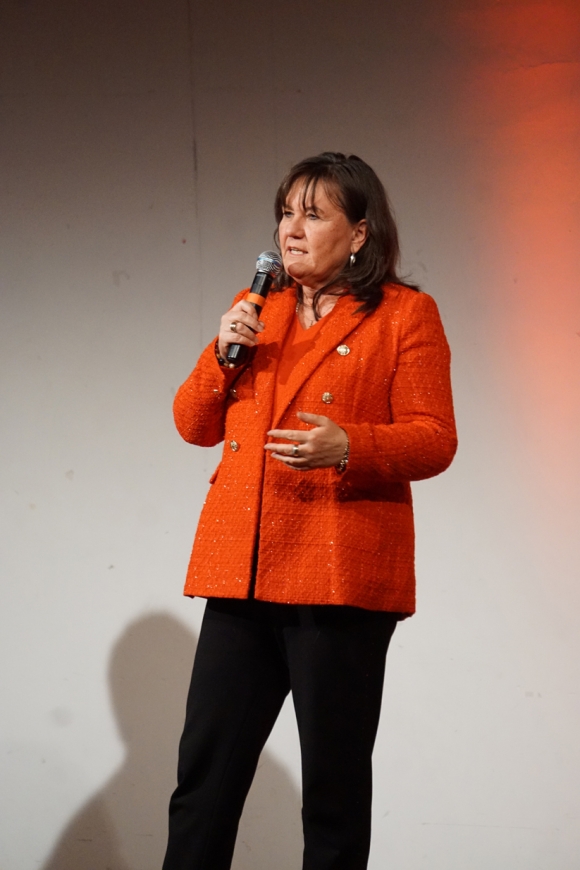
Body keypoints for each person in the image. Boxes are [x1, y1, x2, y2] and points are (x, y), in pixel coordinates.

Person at [162, 152, 457, 870]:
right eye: (286, 213)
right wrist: (223, 353)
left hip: (337, 577)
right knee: (204, 781)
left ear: (359, 233)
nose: (291, 230)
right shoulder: (257, 308)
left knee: (333, 789)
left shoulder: (403, 314)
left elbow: (435, 438)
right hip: (241, 572)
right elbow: (193, 425)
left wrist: (350, 445)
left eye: (313, 214)